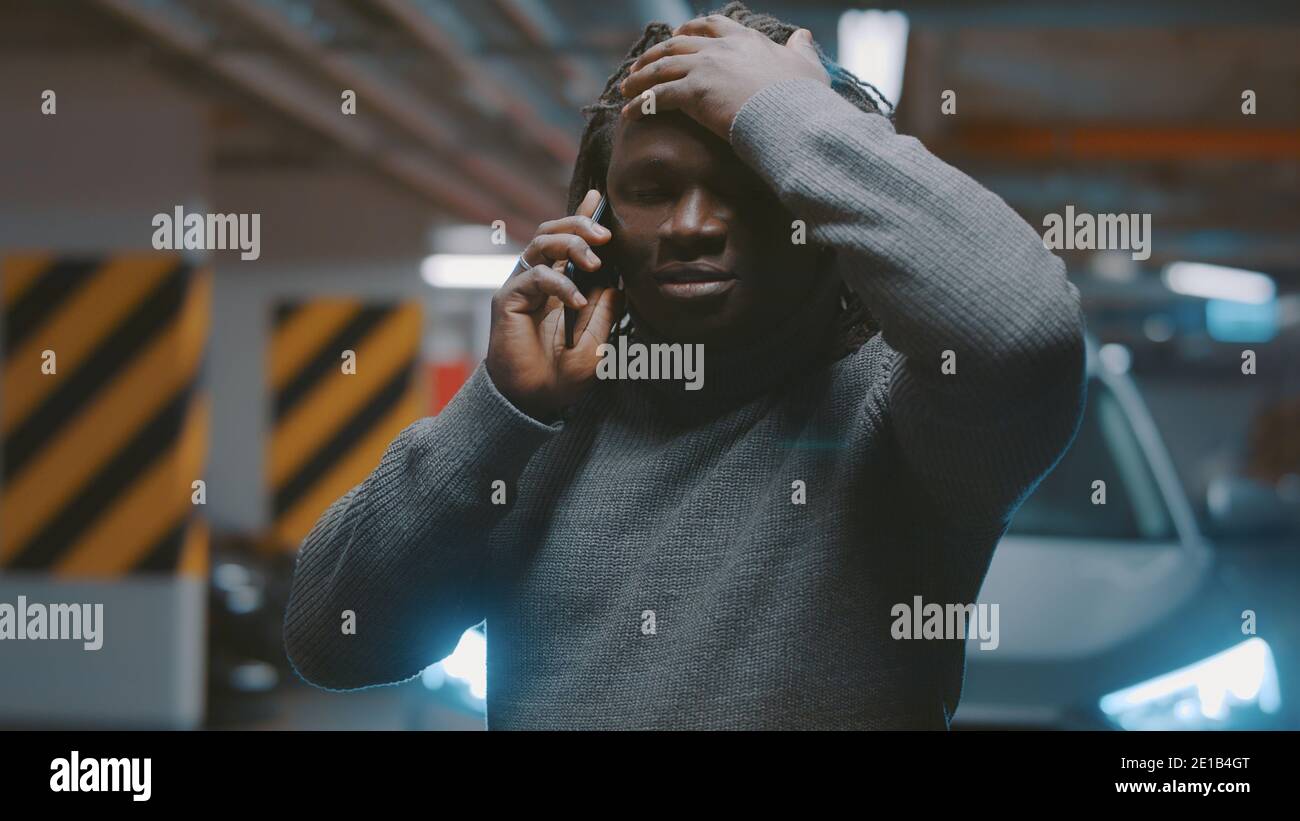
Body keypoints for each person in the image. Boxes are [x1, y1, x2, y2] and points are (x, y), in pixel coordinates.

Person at [282, 2, 1087, 729]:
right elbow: (331, 638)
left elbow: (1022, 327)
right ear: (595, 219)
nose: (693, 225)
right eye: (654, 188)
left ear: (823, 208)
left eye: (751, 186)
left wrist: (788, 112)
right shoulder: (539, 430)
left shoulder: (897, 417)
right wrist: (498, 410)